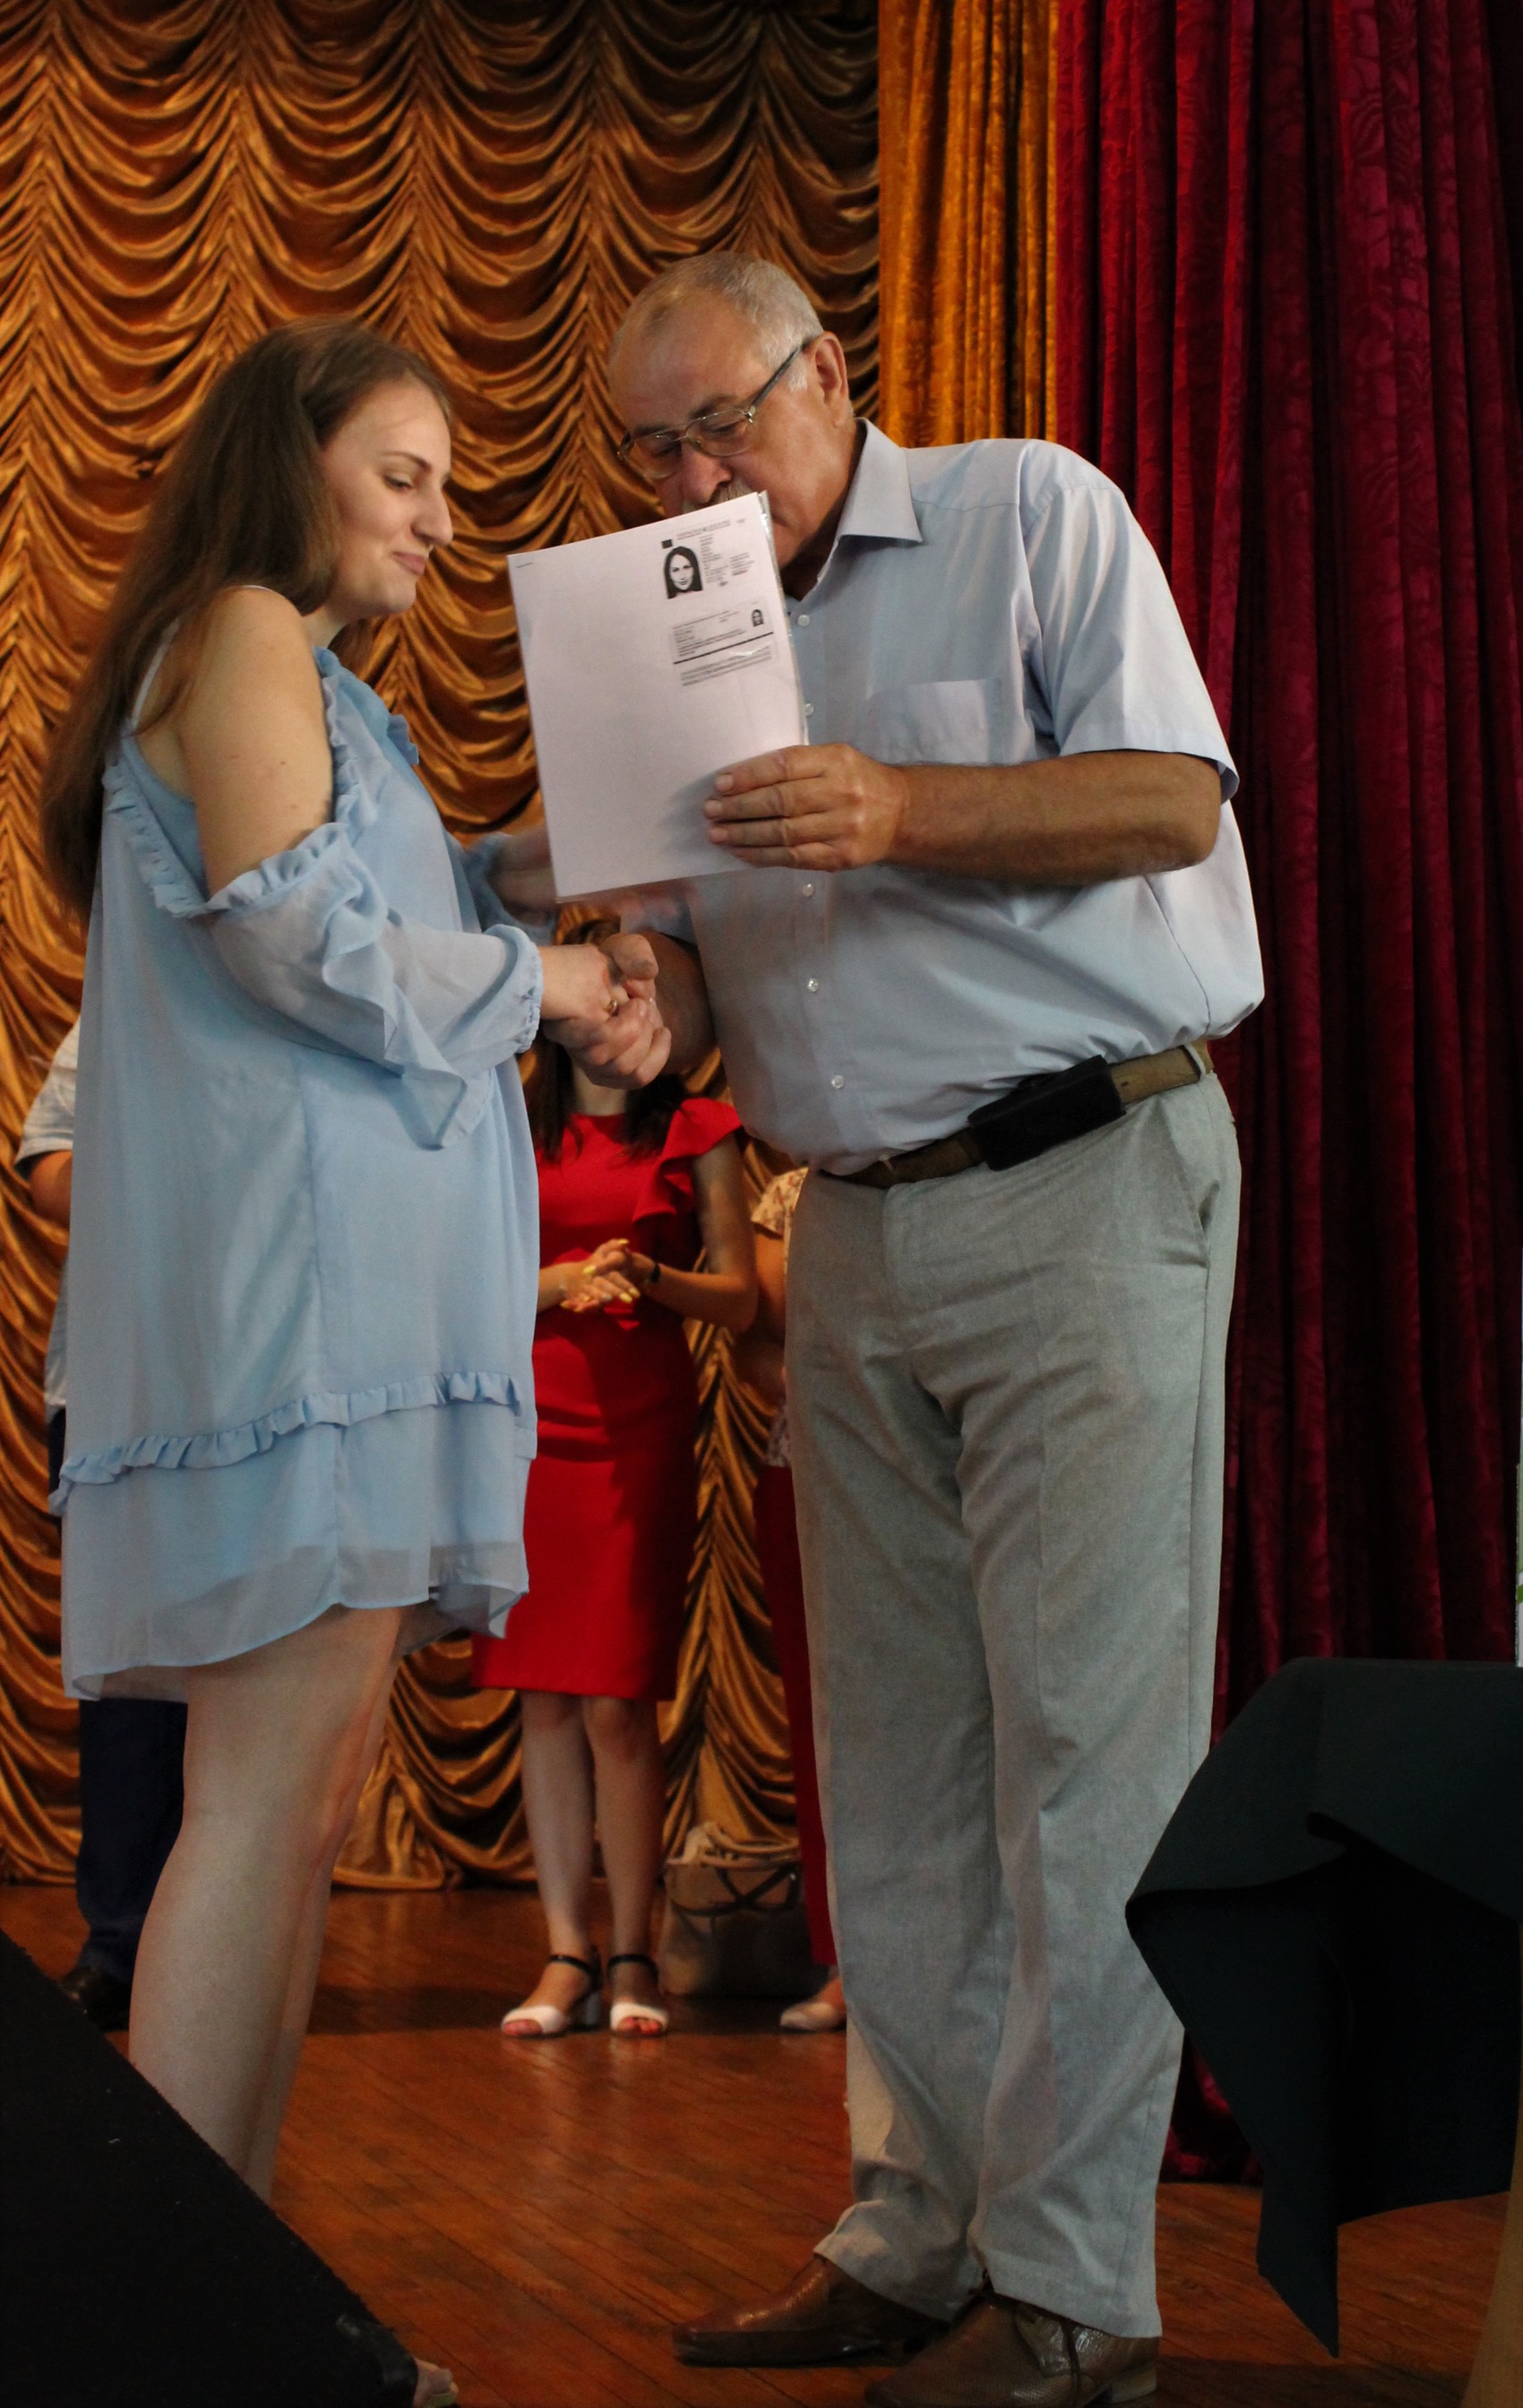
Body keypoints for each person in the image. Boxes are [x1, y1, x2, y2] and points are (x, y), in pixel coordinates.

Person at [595, 252, 1263, 2408]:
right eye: (651, 449)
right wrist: (623, 984)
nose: (691, 479)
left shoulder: (1023, 509)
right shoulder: (661, 632)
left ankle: (1071, 2294)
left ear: (826, 372)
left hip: (1081, 1173)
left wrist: (893, 804)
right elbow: (691, 971)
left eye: (721, 423)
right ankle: (912, 2228)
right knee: (884, 1769)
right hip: (852, 1226)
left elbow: (1169, 803)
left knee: (1082, 1759)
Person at [39, 317, 669, 2408]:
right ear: (284, 461)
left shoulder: (325, 686)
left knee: (293, 1798)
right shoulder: (236, 626)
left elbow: (384, 888)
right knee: (258, 1799)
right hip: (295, 1305)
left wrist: (539, 873)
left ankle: (219, 2288)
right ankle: (175, 2319)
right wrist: (549, 978)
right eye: (403, 475)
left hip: (348, 1303)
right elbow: (291, 935)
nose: (438, 519)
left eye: (447, 484)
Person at [472, 920, 755, 2038]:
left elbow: (739, 1295)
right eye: (601, 984)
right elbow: (455, 1281)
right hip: (526, 1428)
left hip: (636, 1428)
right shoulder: (504, 1114)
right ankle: (564, 1955)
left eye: (637, 987)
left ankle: (632, 1952)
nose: (613, 1004)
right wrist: (555, 1285)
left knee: (617, 1703)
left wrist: (650, 1278)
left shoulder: (698, 1125)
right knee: (541, 1697)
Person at [16, 1023, 187, 2033]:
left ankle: (224, 1948)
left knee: (250, 1679)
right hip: (113, 1388)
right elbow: (49, 1173)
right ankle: (119, 1942)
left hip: (266, 1391)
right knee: (125, 1684)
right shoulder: (115, 1011)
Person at [732, 1166, 846, 2034]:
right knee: (825, 1724)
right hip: (807, 1467)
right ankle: (848, 1959)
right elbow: (756, 1346)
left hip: (943, 1476)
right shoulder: (788, 1195)